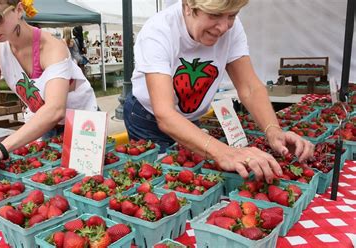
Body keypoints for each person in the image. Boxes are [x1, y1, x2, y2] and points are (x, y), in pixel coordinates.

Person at [123, 0, 314, 183]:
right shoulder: (158, 31)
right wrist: (225, 153)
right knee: (158, 182)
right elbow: (164, 114)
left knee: (191, 177)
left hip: (188, 118)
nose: (223, 27)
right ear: (189, 5)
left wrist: (273, 130)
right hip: (147, 118)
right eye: (214, 15)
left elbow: (249, 87)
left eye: (232, 15)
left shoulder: (233, 28)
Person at [0, 0, 98, 176]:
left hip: (83, 125)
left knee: (82, 183)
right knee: (44, 181)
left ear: (19, 10)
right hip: (41, 124)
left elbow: (54, 109)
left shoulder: (52, 48)